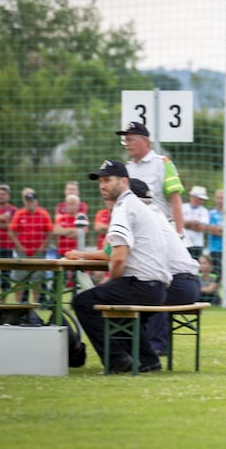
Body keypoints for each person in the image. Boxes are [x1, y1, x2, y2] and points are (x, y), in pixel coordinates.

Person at [71, 160, 171, 374]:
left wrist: (110, 281)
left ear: (124, 181)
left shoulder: (124, 208)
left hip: (143, 284)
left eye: (107, 180)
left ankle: (116, 360)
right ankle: (147, 360)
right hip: (157, 287)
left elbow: (117, 259)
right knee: (116, 306)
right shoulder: (135, 206)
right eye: (100, 182)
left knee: (82, 301)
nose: (102, 186)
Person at [129, 178, 200, 358]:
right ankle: (143, 347)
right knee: (145, 287)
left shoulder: (145, 218)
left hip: (179, 284)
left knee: (149, 289)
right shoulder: (155, 214)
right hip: (189, 283)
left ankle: (154, 346)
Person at [119, 121, 187, 236]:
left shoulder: (162, 164)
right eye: (125, 140)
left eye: (130, 140)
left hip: (162, 229)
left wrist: (179, 233)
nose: (127, 144)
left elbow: (175, 200)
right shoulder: (127, 169)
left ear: (145, 141)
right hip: (136, 232)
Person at [8, 188, 53, 303]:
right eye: (28, 201)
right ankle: (18, 305)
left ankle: (35, 305)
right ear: (25, 201)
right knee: (20, 280)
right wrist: (18, 246)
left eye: (32, 200)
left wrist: (43, 246)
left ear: (36, 201)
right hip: (22, 252)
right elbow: (11, 231)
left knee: (37, 280)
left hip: (38, 252)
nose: (30, 203)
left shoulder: (43, 214)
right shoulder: (19, 213)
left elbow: (50, 231)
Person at [182, 185, 210, 259]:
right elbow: (177, 222)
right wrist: (193, 223)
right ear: (192, 197)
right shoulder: (182, 207)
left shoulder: (204, 211)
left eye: (202, 199)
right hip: (183, 243)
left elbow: (202, 227)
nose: (201, 201)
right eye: (199, 198)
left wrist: (186, 224)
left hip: (197, 244)